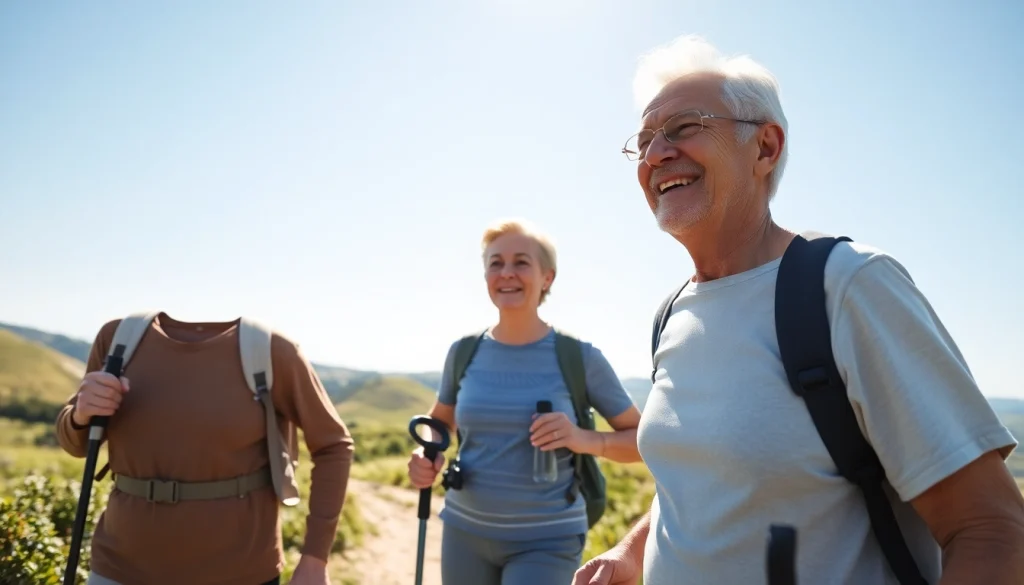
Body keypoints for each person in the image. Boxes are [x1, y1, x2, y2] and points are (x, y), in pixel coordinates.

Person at [573, 34, 1024, 585]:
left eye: (684, 128)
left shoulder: (849, 286)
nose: (655, 154)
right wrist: (629, 553)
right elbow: (702, 487)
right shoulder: (673, 314)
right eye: (643, 141)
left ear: (764, 147)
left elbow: (993, 531)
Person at [406, 218, 644, 585]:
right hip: (463, 532)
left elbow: (642, 442)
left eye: (521, 262)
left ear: (547, 277)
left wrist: (583, 439)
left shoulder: (580, 358)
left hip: (548, 539)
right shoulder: (463, 353)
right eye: (495, 263)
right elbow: (440, 426)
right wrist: (426, 458)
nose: (507, 273)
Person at [56, 312, 355, 585]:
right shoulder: (118, 339)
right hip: (118, 569)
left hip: (240, 574)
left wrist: (315, 560)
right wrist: (81, 414)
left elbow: (333, 446)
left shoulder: (271, 350)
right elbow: (76, 443)